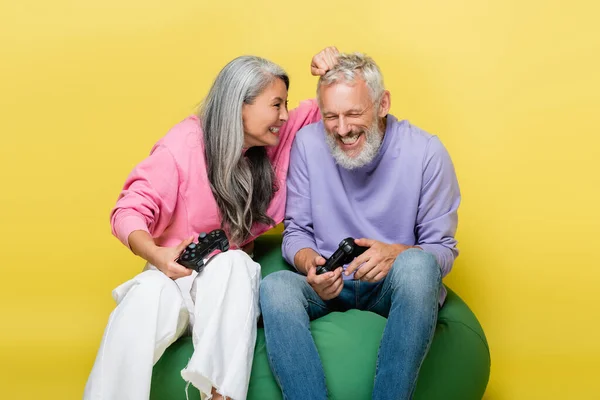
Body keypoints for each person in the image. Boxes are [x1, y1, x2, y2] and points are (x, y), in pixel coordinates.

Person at [84, 47, 340, 400]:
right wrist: (158, 256)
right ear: (240, 106)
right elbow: (129, 211)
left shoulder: (271, 144)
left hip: (222, 289)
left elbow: (327, 111)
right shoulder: (183, 146)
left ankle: (221, 396)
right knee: (145, 295)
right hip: (172, 274)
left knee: (234, 263)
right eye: (275, 104)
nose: (283, 115)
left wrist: (331, 71)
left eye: (284, 105)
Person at [259, 52, 461, 400]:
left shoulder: (427, 152)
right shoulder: (307, 144)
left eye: (354, 113)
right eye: (331, 117)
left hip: (391, 286)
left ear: (382, 104)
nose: (342, 129)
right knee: (275, 286)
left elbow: (442, 251)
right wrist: (312, 265)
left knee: (417, 266)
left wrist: (396, 254)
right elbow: (296, 233)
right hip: (330, 286)